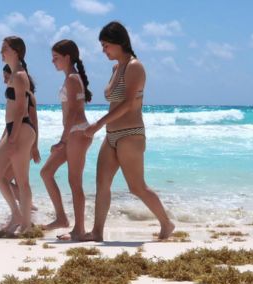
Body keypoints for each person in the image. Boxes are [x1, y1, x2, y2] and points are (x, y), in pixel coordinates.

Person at [83, 21, 174, 241]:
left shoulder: (135, 66)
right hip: (112, 136)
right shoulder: (116, 68)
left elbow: (128, 104)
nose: (103, 50)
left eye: (106, 45)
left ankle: (166, 223)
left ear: (118, 42)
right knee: (102, 184)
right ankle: (97, 232)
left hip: (130, 134)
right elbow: (115, 102)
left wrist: (98, 124)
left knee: (136, 187)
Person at [39, 39, 93, 241]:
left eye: (56, 58)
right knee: (46, 172)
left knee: (74, 182)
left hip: (77, 133)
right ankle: (61, 218)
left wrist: (62, 141)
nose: (53, 62)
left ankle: (79, 229)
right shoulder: (70, 78)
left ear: (67, 57)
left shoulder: (72, 78)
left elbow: (73, 114)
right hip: (74, 134)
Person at [0, 36, 38, 235]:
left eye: (4, 48)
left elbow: (21, 110)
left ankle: (25, 224)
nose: (1, 51)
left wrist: (11, 138)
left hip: (20, 129)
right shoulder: (14, 75)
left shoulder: (19, 75)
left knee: (21, 180)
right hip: (13, 129)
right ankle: (18, 216)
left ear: (16, 51)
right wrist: (6, 136)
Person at [0, 64, 40, 212]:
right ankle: (25, 208)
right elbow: (9, 123)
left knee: (13, 180)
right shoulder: (13, 96)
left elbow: (33, 122)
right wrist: (1, 142)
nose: (4, 81)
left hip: (23, 140)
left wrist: (35, 147)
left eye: (6, 77)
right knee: (7, 179)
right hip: (12, 137)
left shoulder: (28, 96)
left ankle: (26, 208)